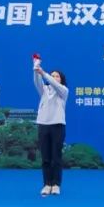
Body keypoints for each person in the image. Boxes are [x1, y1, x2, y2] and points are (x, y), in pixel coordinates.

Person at [34, 63, 68, 197]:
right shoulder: (44, 90)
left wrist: (44, 73)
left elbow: (53, 83)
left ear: (61, 79)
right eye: (52, 75)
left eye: (56, 76)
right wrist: (36, 68)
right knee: (46, 157)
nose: (54, 78)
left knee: (56, 157)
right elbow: (37, 81)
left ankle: (56, 184)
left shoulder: (63, 91)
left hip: (57, 125)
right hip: (43, 125)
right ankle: (47, 184)